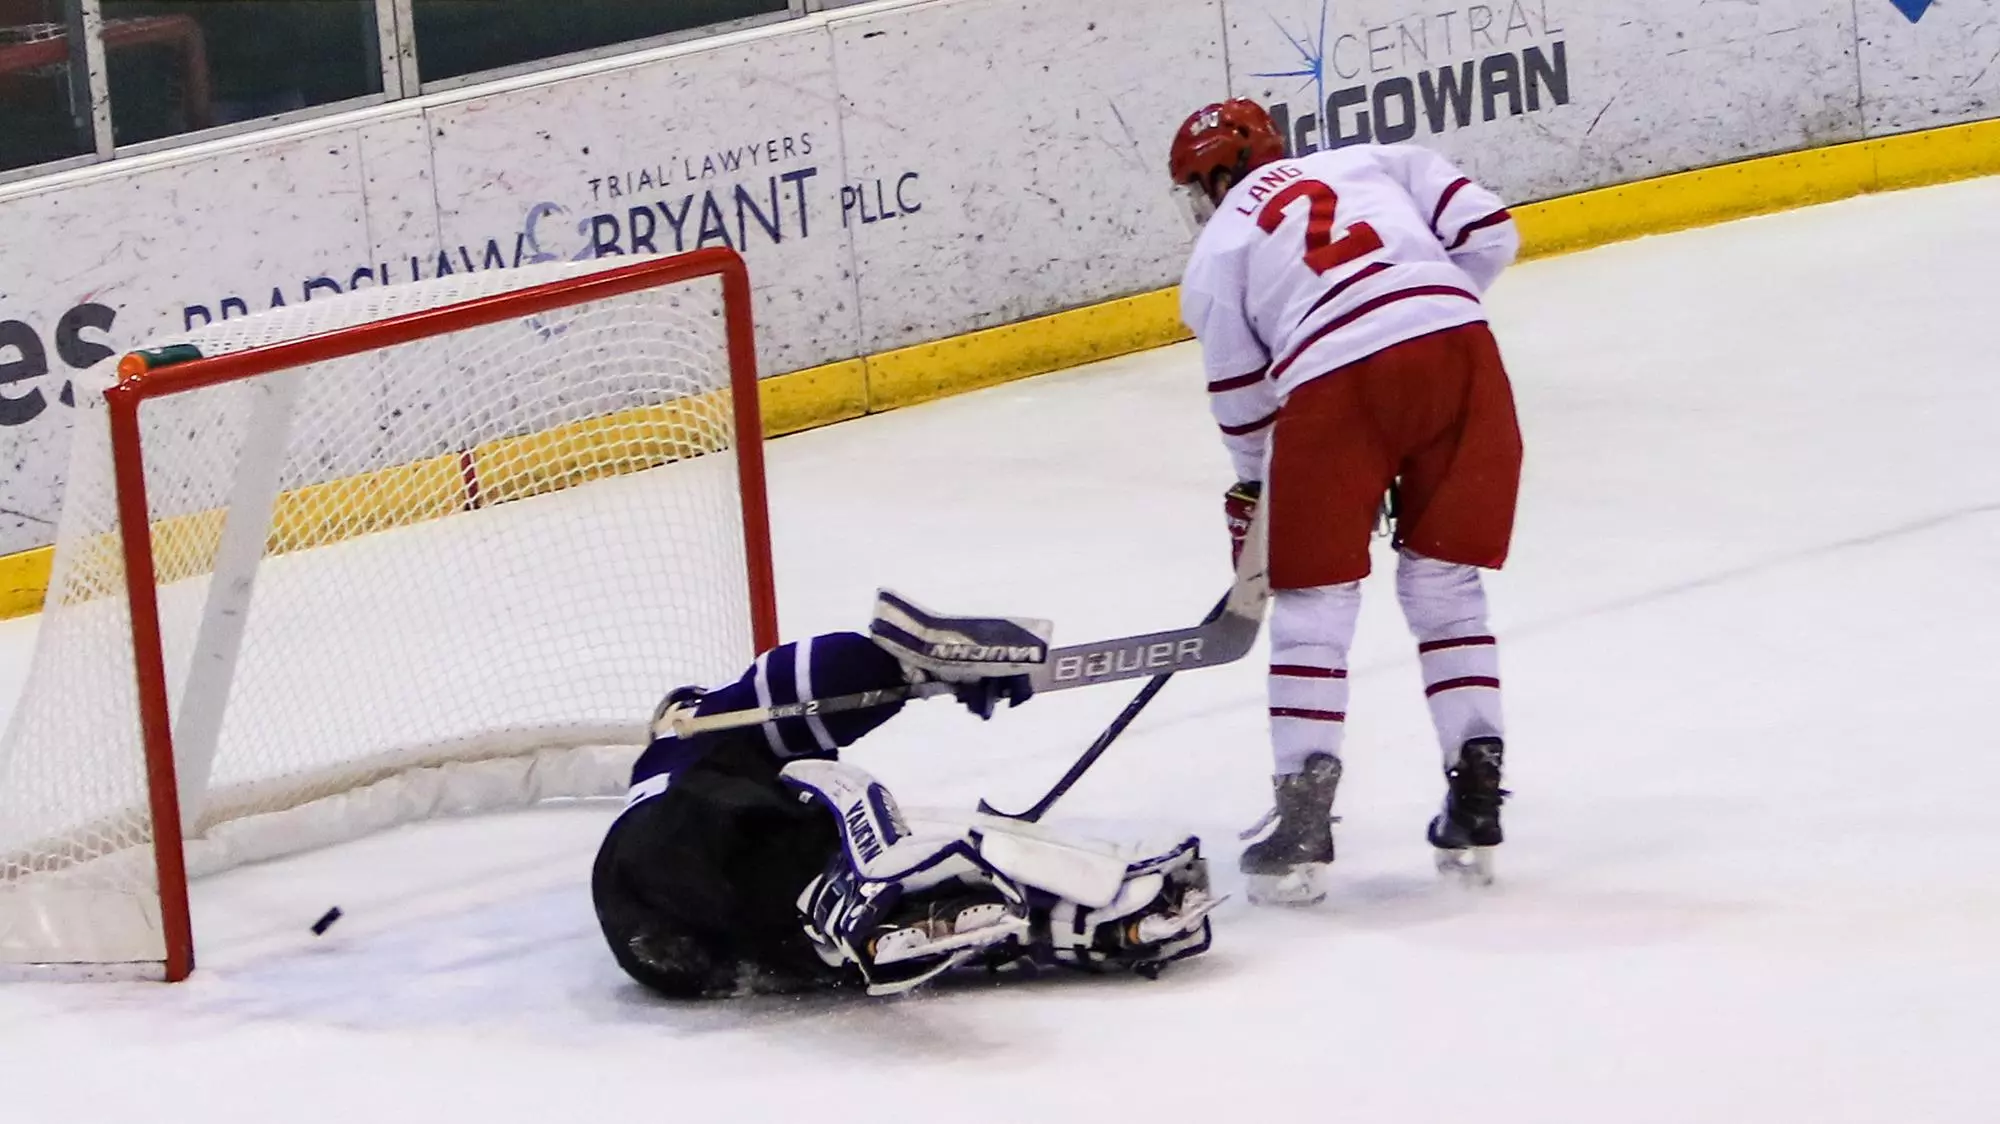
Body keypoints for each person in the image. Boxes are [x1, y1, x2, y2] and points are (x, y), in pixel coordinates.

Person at [1168, 100, 1521, 903]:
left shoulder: (1221, 245)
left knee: (1314, 606)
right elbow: (1490, 233)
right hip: (1460, 348)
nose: (1200, 202)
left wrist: (1262, 493)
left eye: (1198, 185)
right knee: (1447, 588)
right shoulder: (1377, 158)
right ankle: (1476, 793)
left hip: (1334, 379)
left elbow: (1244, 403)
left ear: (1223, 174)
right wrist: (1418, 311)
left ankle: (1302, 821)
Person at [592, 629, 1216, 998]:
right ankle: (855, 903)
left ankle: (1094, 920)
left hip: (672, 946)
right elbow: (792, 686)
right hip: (667, 849)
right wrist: (899, 663)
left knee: (868, 914)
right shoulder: (695, 736)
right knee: (836, 805)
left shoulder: (727, 787)